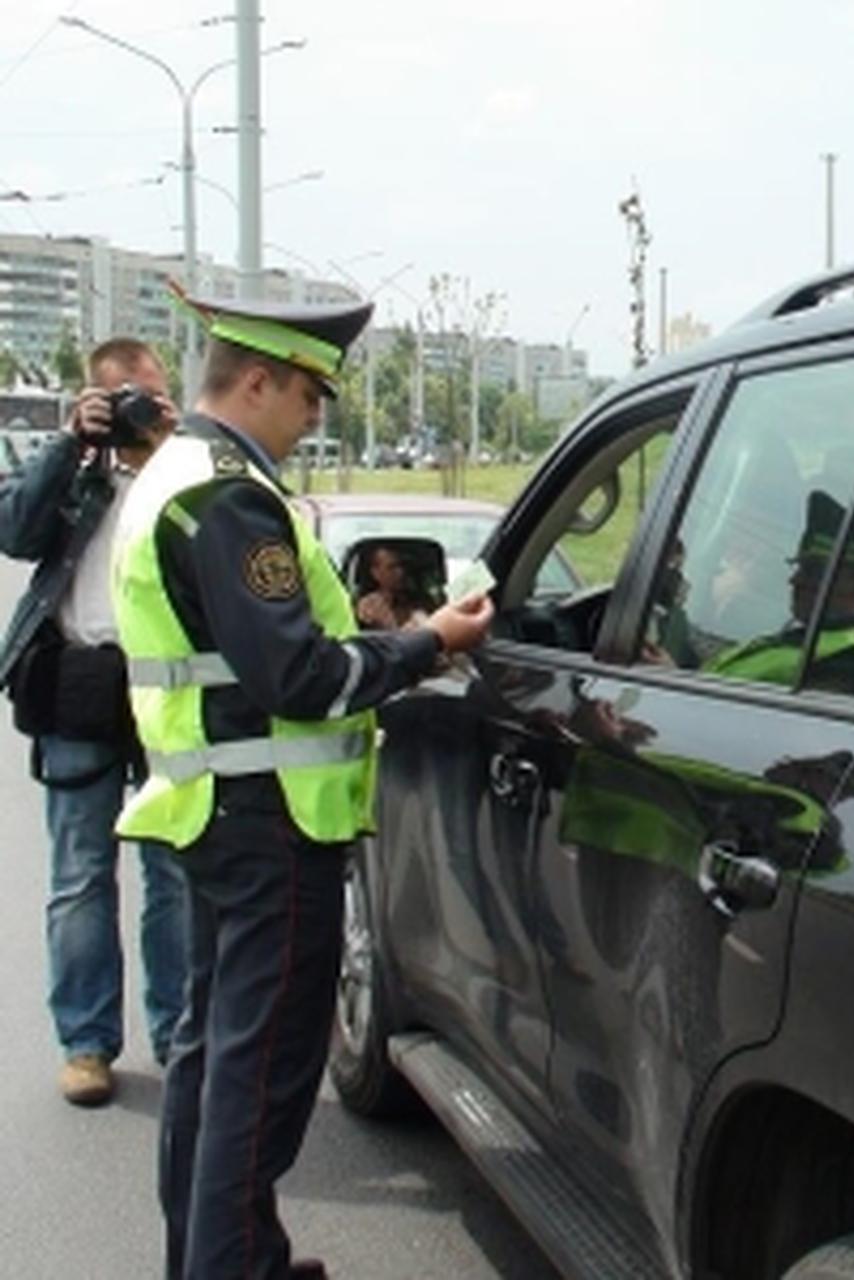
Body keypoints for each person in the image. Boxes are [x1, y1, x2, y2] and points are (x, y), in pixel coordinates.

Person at [110, 290, 493, 1280]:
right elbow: (302, 678)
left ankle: (220, 1256)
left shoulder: (177, 474)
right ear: (257, 378)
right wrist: (426, 642)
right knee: (261, 1075)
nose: (316, 415)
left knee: (211, 1060)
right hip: (267, 822)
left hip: (216, 814)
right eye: (310, 394)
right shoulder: (229, 494)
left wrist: (382, 633)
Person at [0, 338, 186, 1106]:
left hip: (169, 696)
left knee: (174, 874)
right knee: (80, 874)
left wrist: (176, 449)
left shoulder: (188, 472)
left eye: (156, 392)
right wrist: (70, 446)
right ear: (98, 399)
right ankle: (86, 1043)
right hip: (80, 684)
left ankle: (180, 1033)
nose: (145, 407)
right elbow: (15, 532)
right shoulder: (76, 468)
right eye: (130, 398)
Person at [702, 489, 854, 705]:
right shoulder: (801, 638)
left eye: (814, 572)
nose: (794, 581)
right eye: (799, 567)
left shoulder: (850, 663)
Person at [355, 542, 432, 630]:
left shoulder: (421, 601)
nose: (400, 572)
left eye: (402, 566)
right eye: (392, 567)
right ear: (375, 573)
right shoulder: (369, 605)